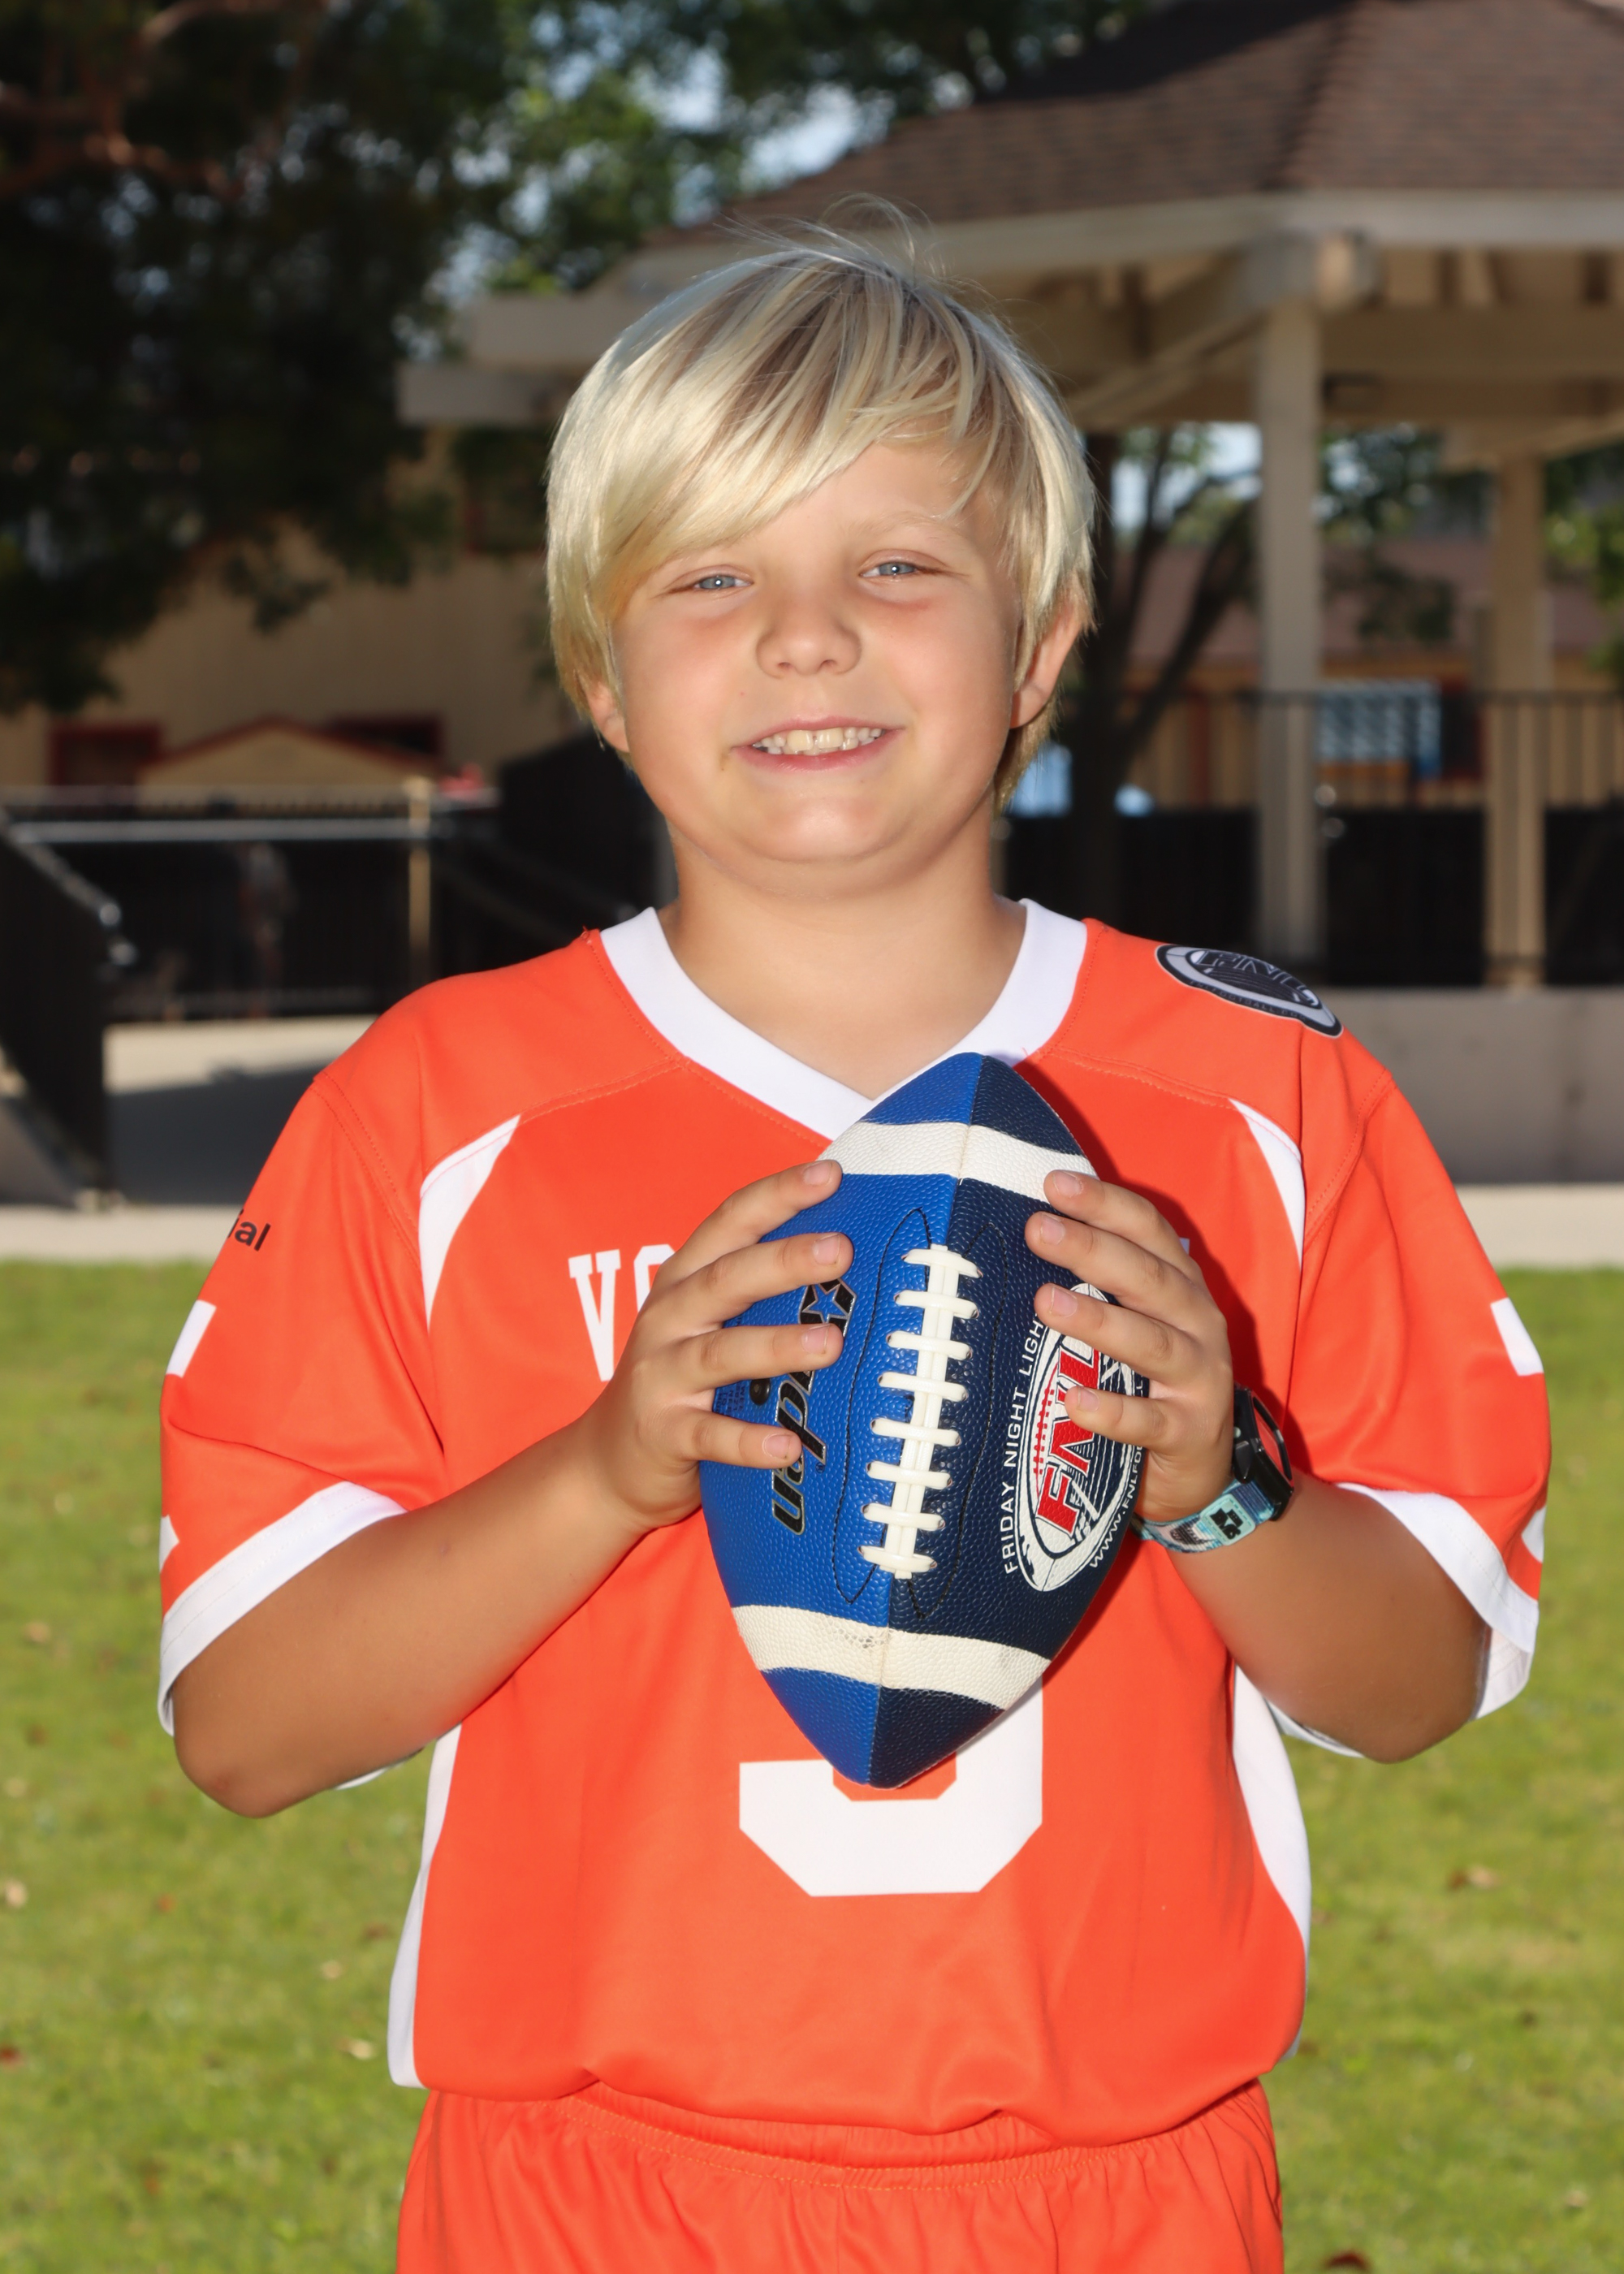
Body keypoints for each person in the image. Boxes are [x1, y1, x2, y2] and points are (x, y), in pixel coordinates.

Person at [159, 231, 1549, 2272]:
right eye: (710, 577)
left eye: (896, 565)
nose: (806, 638)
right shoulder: (436, 1104)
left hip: (1113, 2194)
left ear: (1041, 645)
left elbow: (1417, 1679)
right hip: (589, 2193)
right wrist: (605, 1466)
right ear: (598, 671)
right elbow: (246, 1726)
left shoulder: (1262, 1088)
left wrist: (1214, 1477)